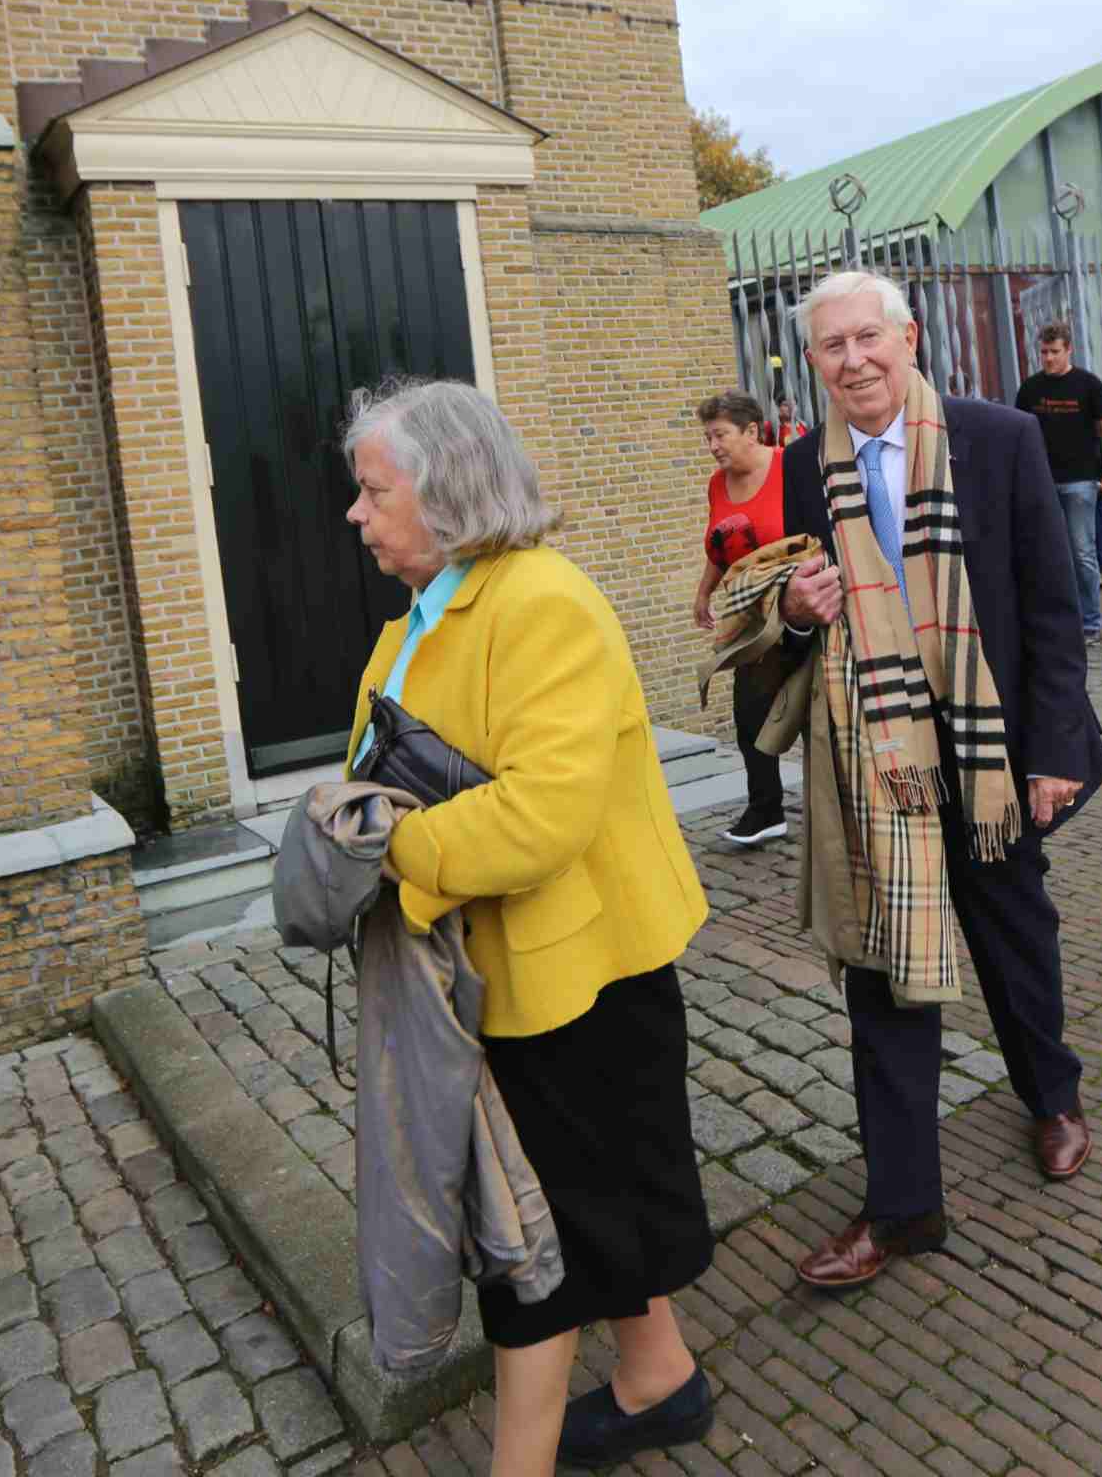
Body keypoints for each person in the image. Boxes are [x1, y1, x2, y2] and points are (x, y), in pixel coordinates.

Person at [342, 379, 714, 1476]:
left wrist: (387, 851)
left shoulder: (545, 603)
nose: (356, 515)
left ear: (447, 491)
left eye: (373, 492)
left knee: (531, 1243)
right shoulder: (422, 614)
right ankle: (661, 1379)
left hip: (579, 979)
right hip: (499, 977)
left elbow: (541, 818)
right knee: (591, 1206)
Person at [773, 271, 1102, 1290]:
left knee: (1015, 939)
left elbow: (1051, 606)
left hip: (991, 752)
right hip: (880, 768)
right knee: (881, 975)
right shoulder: (803, 468)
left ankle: (1051, 1096)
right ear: (815, 361)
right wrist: (794, 611)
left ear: (908, 337)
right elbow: (790, 623)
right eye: (832, 346)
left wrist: (1053, 750)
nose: (853, 361)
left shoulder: (998, 438)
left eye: (867, 338)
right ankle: (903, 1204)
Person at [692, 391, 788, 846]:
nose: (713, 445)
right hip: (752, 618)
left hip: (803, 609)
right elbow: (719, 546)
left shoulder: (790, 468)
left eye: (720, 435)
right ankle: (766, 810)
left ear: (752, 431)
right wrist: (703, 592)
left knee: (821, 713)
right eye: (708, 437)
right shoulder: (717, 484)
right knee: (749, 712)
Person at [1011, 322, 1102, 640]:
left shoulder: (1088, 384)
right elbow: (1019, 433)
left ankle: (1091, 621)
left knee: (1082, 552)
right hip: (1041, 480)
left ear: (1069, 350)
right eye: (1044, 352)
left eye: (1054, 352)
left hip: (1081, 480)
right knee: (1046, 552)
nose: (1048, 358)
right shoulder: (1030, 389)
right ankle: (1057, 621)